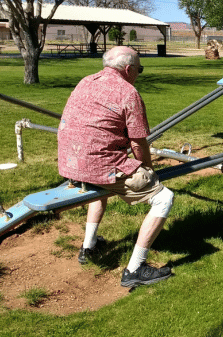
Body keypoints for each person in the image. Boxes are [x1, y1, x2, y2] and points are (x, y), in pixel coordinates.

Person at [58, 46, 174, 289]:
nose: (138, 74)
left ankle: (88, 247)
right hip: (100, 167)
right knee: (164, 198)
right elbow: (138, 141)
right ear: (129, 69)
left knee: (99, 183)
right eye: (139, 69)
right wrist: (148, 170)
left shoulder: (85, 82)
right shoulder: (128, 92)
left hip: (71, 165)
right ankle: (135, 269)